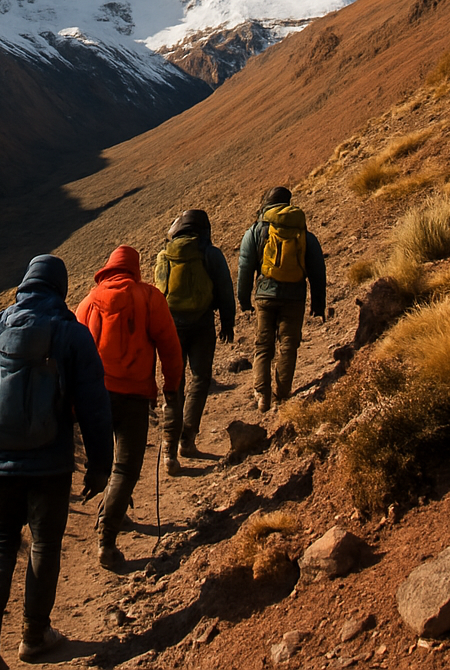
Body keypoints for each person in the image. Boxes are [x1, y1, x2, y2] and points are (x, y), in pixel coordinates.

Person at [0, 254, 112, 670]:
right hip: (49, 463)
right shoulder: (71, 333)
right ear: (59, 288)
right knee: (44, 544)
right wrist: (100, 465)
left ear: (25, 284)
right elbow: (95, 406)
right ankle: (35, 635)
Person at [75, 245, 184, 570]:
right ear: (134, 269)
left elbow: (75, 352)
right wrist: (171, 387)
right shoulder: (149, 297)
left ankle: (113, 512)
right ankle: (106, 541)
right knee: (125, 468)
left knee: (108, 462)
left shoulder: (89, 301)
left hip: (96, 397)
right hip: (134, 397)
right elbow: (170, 345)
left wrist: (73, 402)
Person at [154, 209, 236, 474]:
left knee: (174, 383)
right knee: (200, 379)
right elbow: (224, 289)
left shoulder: (164, 255)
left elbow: (159, 293)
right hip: (202, 323)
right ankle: (187, 439)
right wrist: (227, 322)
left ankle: (169, 449)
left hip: (171, 327)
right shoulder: (210, 253)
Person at [236, 186, 327, 412]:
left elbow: (245, 268)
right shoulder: (302, 233)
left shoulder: (255, 231)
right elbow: (317, 270)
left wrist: (244, 300)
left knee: (263, 345)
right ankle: (282, 393)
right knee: (288, 344)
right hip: (294, 297)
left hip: (265, 295)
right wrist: (318, 304)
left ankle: (262, 395)